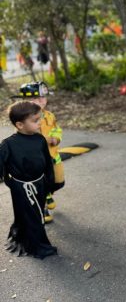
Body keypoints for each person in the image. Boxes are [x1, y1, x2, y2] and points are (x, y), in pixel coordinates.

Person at [0, 101, 57, 259]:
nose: (39, 123)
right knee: (33, 217)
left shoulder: (39, 139)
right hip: (22, 187)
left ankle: (28, 238)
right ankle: (38, 246)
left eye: (39, 119)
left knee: (36, 214)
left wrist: (49, 182)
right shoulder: (8, 145)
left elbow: (47, 161)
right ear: (19, 124)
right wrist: (10, 182)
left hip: (39, 183)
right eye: (35, 121)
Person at [17, 82, 65, 223]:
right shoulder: (24, 120)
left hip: (53, 156)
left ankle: (49, 193)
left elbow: (56, 129)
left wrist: (56, 137)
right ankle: (43, 209)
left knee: (58, 181)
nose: (40, 101)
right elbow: (24, 138)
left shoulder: (49, 115)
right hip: (37, 160)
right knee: (40, 185)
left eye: (42, 97)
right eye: (35, 98)